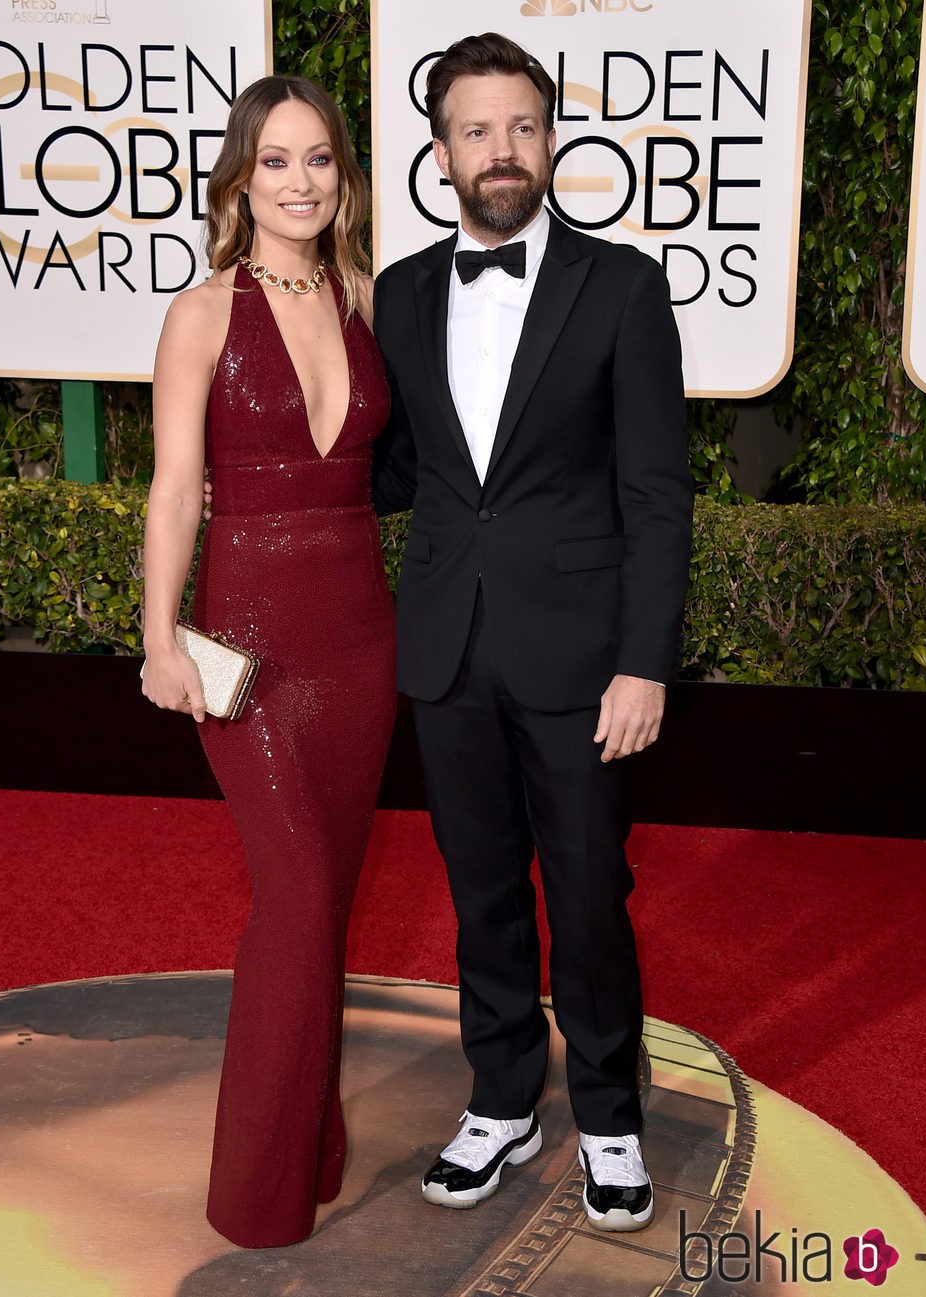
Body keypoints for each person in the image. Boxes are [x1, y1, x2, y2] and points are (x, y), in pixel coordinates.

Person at [371, 33, 694, 1232]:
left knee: (589, 893)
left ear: (549, 140)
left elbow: (657, 493)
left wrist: (642, 659)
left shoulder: (620, 286)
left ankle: (607, 1112)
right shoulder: (402, 293)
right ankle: (501, 1095)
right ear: (441, 152)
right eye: (474, 131)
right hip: (447, 643)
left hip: (581, 658)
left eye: (519, 127)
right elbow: (399, 466)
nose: (498, 152)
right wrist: (257, 488)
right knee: (478, 888)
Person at [141, 75, 396, 1248]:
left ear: (342, 178)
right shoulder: (201, 312)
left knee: (325, 901)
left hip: (358, 630)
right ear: (240, 176)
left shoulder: (360, 298)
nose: (300, 181)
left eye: (321, 161)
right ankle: (257, 1191)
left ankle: (313, 1143)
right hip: (243, 636)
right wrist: (158, 637)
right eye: (277, 160)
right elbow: (174, 489)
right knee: (293, 900)